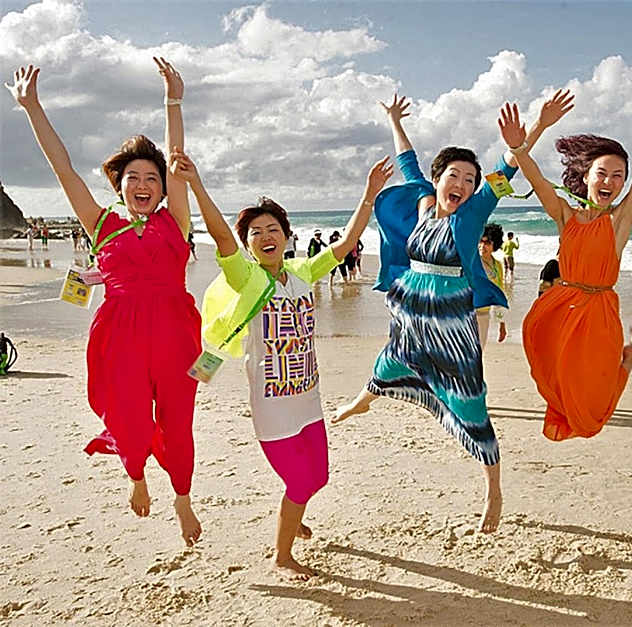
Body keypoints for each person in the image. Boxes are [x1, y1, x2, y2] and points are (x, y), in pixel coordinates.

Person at [331, 92, 555, 533]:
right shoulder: (422, 202)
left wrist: (534, 132)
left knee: (471, 402)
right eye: (455, 175)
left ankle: (493, 490)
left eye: (470, 180)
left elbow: (505, 171)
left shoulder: (470, 216)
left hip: (452, 319)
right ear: (439, 180)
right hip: (412, 309)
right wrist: (395, 119)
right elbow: (408, 161)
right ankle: (363, 400)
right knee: (391, 360)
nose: (464, 184)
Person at [169, 147, 391, 579]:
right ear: (249, 244)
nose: (265, 235)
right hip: (271, 405)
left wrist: (369, 193)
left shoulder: (303, 273)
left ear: (287, 236)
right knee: (302, 482)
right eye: (255, 232)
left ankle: (294, 513)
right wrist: (196, 184)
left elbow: (345, 245)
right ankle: (282, 555)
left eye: (273, 228)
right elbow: (220, 237)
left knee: (318, 477)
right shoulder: (247, 277)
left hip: (309, 398)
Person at [6, 59, 203, 545]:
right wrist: (32, 108)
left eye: (151, 179)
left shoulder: (175, 220)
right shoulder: (101, 223)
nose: (143, 185)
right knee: (130, 421)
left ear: (161, 187)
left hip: (176, 333)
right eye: (133, 177)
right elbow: (62, 167)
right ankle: (135, 472)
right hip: (121, 336)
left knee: (177, 425)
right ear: (120, 185)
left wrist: (172, 101)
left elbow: (177, 156)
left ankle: (182, 496)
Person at [500, 57, 632, 441]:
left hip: (599, 311)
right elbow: (539, 181)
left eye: (619, 175)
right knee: (556, 375)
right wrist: (518, 146)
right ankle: (618, 365)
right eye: (602, 173)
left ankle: (626, 360)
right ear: (585, 176)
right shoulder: (566, 215)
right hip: (560, 306)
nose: (611, 181)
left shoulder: (619, 221)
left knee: (594, 397)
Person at [477, 223, 508, 349]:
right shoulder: (472, 262)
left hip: (484, 316)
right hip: (467, 315)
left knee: (479, 352)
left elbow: (499, 293)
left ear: (495, 245)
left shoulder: (498, 266)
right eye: (481, 241)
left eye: (487, 243)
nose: (482, 246)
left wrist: (502, 323)